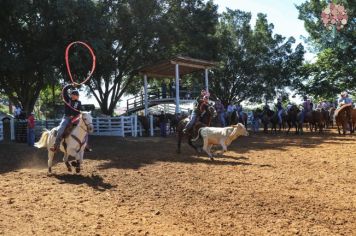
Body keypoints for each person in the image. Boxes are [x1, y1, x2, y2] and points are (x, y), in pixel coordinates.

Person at [50, 85, 82, 152]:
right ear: (73, 95)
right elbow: (64, 90)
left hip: (75, 119)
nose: (77, 96)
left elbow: (79, 112)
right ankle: (56, 145)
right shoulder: (68, 100)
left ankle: (84, 144)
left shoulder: (79, 103)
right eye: (76, 95)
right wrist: (71, 85)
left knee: (83, 127)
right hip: (66, 117)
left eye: (77, 95)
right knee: (61, 128)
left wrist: (75, 116)